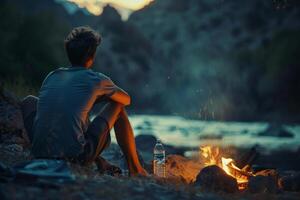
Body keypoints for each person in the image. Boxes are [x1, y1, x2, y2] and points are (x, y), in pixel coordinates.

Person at [21, 26, 147, 176]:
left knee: (29, 101)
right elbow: (126, 99)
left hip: (39, 153)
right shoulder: (96, 80)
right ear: (92, 56)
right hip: (76, 157)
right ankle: (136, 169)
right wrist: (101, 96)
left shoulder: (53, 75)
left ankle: (44, 148)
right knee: (118, 106)